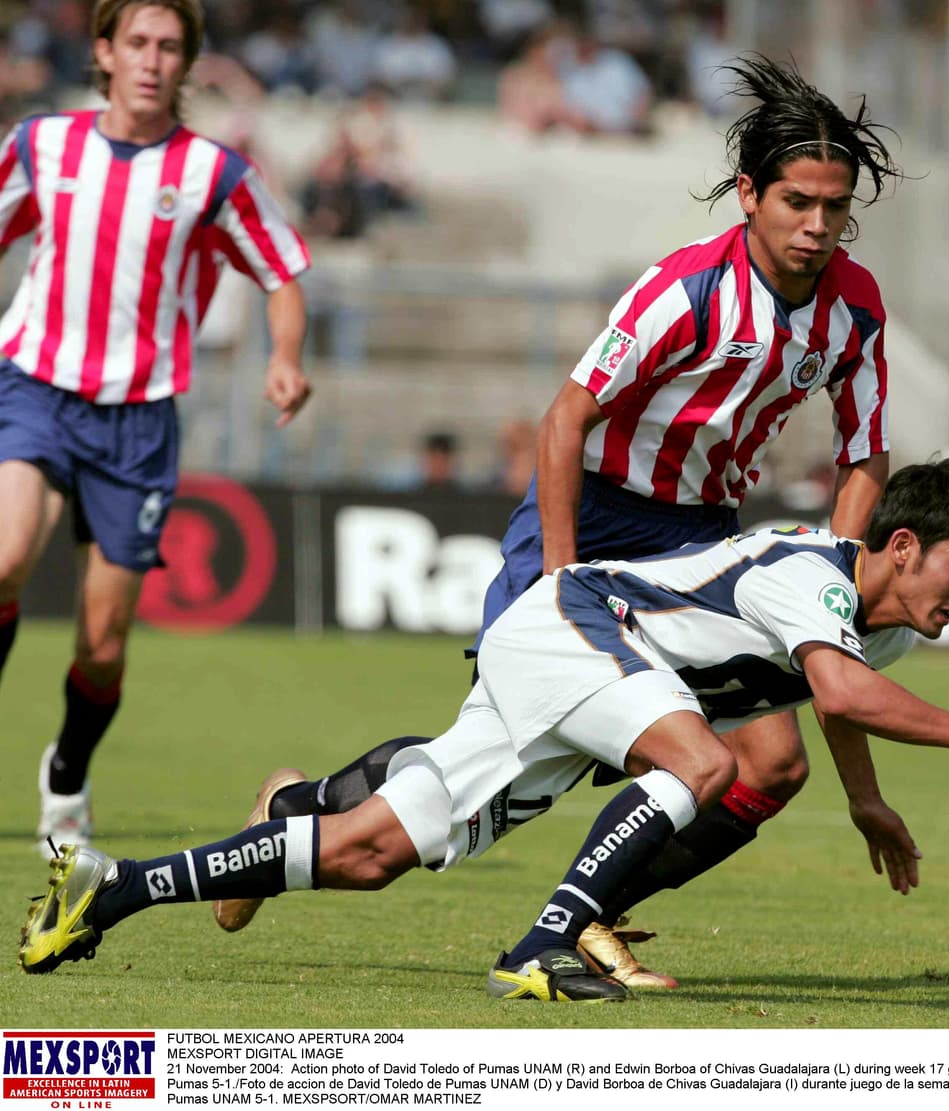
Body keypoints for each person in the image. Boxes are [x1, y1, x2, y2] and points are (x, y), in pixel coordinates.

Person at [206, 52, 905, 991]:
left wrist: (832, 571)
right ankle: (299, 806)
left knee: (770, 762)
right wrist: (563, 582)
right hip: (595, 510)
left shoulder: (855, 308)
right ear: (748, 194)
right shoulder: (684, 291)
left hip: (704, 532)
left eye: (835, 207)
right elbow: (566, 417)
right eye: (797, 203)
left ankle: (593, 916)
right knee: (515, 756)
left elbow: (864, 454)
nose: (818, 227)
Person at [20, 459, 949, 998]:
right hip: (577, 624)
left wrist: (863, 795)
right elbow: (843, 692)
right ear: (901, 546)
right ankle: (539, 946)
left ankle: (108, 888)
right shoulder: (805, 572)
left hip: (588, 674)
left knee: (371, 852)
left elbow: (839, 688)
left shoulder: (875, 622)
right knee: (703, 758)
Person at [0, 0, 311, 849]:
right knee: (3, 557)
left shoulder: (216, 174)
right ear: (103, 51)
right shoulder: (42, 145)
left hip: (137, 419)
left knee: (101, 644)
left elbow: (281, 272)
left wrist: (285, 356)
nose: (150, 59)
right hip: (33, 385)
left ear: (187, 64)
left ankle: (65, 775)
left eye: (169, 46)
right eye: (135, 41)